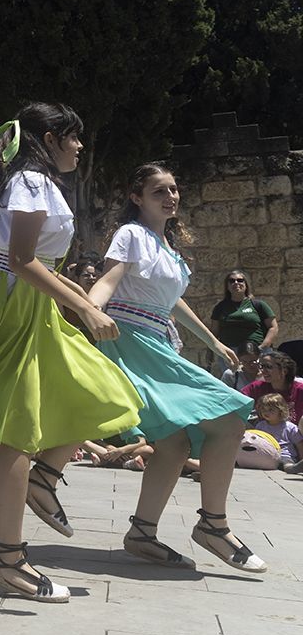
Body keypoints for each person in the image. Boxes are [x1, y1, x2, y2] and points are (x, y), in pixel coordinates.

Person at [0, 103, 142, 603]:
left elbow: (39, 264)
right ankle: (8, 557)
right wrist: (83, 308)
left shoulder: (32, 183)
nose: (80, 147)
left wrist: (84, 305)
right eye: (74, 138)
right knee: (19, 430)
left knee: (102, 391)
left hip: (26, 301)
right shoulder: (31, 184)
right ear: (52, 137)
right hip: (12, 303)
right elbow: (21, 260)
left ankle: (43, 480)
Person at [86, 163, 265, 572]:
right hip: (132, 342)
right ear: (137, 198)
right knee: (230, 414)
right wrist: (89, 309)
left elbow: (171, 303)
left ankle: (142, 534)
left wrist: (213, 340)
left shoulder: (166, 246)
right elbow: (109, 280)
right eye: (158, 191)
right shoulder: (130, 234)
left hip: (157, 344)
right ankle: (214, 526)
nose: (171, 196)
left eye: (173, 189)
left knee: (174, 444)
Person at [212, 271, 280, 358]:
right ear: (227, 286)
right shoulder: (220, 307)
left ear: (246, 284)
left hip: (257, 350)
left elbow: (273, 327)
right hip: (230, 353)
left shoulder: (258, 305)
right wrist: (211, 352)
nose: (236, 283)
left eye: (240, 280)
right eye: (232, 281)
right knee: (229, 372)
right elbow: (214, 332)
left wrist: (262, 347)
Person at [242, 351, 303, 423]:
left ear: (284, 370)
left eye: (268, 367)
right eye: (262, 366)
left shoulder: (300, 390)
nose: (263, 371)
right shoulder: (256, 387)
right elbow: (237, 401)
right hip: (265, 432)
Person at [244, 394, 300, 471]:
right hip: (266, 453)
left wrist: (301, 459)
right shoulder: (261, 425)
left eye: (271, 410)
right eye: (263, 409)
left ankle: (290, 468)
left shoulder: (290, 427)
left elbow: (299, 444)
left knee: (286, 462)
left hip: (283, 454)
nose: (266, 412)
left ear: (280, 410)